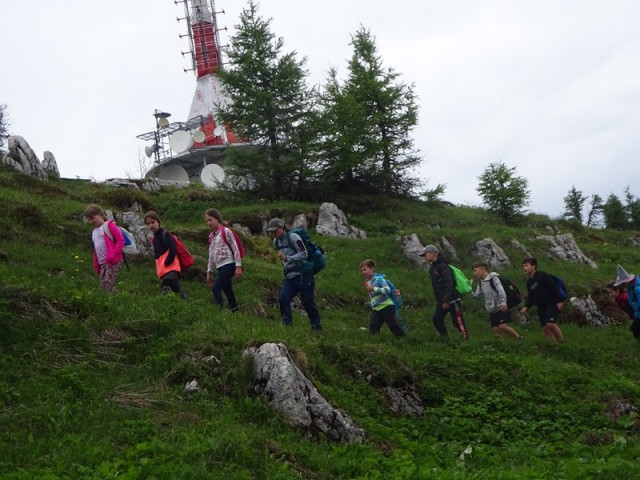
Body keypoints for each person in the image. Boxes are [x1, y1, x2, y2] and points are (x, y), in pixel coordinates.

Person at [267, 217, 322, 331]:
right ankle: (287, 327)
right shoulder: (276, 242)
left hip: (303, 274)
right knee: (283, 298)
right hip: (290, 276)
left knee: (308, 302)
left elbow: (304, 254)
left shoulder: (293, 237)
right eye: (271, 232)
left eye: (275, 231)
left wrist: (288, 258)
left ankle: (317, 327)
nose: (273, 233)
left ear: (282, 228)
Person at [419, 244, 469, 340]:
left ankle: (466, 340)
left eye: (425, 254)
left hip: (452, 298)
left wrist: (447, 300)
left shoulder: (443, 265)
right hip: (442, 300)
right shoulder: (433, 267)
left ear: (433, 253)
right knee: (437, 319)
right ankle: (446, 339)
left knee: (457, 321)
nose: (424, 257)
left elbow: (449, 283)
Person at [471, 262, 524, 342]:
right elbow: (478, 295)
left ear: (483, 269)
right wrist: (469, 291)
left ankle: (519, 338)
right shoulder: (480, 282)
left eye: (475, 270)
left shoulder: (494, 278)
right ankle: (501, 345)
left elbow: (501, 291)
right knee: (495, 329)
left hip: (500, 306)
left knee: (502, 326)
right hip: (492, 308)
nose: (474, 273)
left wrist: (503, 303)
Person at [205, 208, 243, 312]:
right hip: (219, 266)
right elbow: (211, 254)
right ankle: (235, 311)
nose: (208, 223)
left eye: (210, 220)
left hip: (229, 264)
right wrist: (209, 271)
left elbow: (235, 248)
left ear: (217, 219)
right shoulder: (211, 236)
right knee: (228, 290)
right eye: (207, 221)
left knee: (216, 288)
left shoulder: (226, 231)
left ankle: (219, 312)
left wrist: (238, 266)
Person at [520, 257, 565, 342]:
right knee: (545, 328)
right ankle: (553, 345)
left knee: (550, 324)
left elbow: (553, 287)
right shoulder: (529, 282)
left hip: (551, 303)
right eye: (523, 266)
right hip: (541, 307)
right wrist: (526, 307)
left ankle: (562, 344)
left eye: (526, 265)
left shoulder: (542, 275)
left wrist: (559, 301)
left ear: (534, 266)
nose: (524, 268)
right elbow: (531, 296)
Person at [144, 211, 186, 299]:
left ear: (158, 222)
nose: (151, 225)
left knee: (165, 287)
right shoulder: (155, 238)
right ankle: (186, 302)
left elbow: (173, 249)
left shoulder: (165, 234)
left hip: (171, 268)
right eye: (148, 224)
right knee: (177, 290)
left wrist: (167, 262)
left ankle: (166, 305)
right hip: (164, 269)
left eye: (153, 222)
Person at [360, 259, 406, 337]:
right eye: (362, 271)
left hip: (386, 306)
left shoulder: (379, 279)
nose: (363, 272)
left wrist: (373, 289)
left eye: (365, 269)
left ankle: (402, 338)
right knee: (373, 326)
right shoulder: (368, 282)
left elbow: (387, 290)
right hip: (376, 308)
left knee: (392, 324)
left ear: (372, 269)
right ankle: (375, 341)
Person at [84, 204, 124, 293]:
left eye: (93, 218)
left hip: (114, 261)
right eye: (89, 219)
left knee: (108, 283)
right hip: (103, 263)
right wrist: (96, 264)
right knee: (102, 286)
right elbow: (96, 249)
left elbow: (120, 241)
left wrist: (112, 256)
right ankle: (111, 301)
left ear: (101, 214)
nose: (91, 221)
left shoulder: (109, 226)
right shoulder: (94, 232)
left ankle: (119, 298)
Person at [612, 264, 640, 340]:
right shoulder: (631, 288)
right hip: (637, 313)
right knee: (635, 329)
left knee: (634, 329)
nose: (623, 287)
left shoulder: (637, 288)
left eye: (622, 285)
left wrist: (635, 307)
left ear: (626, 282)